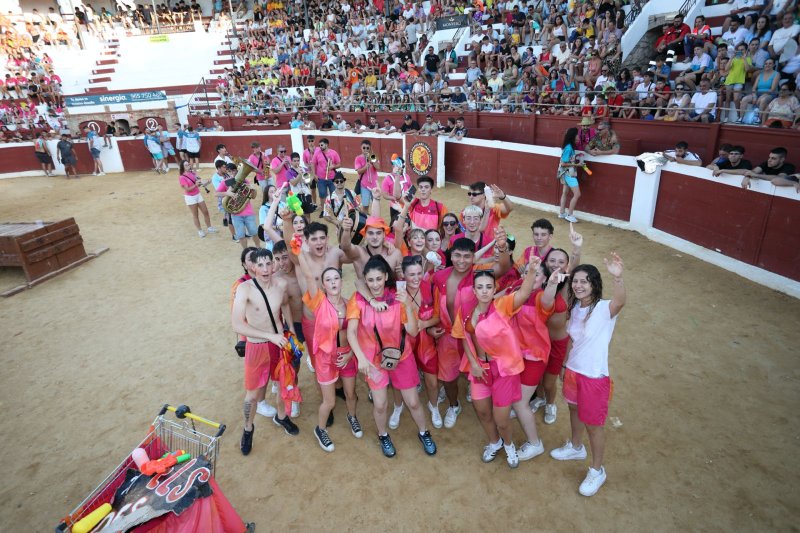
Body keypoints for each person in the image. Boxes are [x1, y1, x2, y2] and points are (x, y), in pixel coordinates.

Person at [453, 253, 558, 467]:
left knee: (502, 420)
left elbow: (525, 292)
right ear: (474, 290)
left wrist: (530, 272)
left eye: (488, 287)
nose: (483, 291)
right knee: (482, 411)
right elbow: (464, 337)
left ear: (494, 290)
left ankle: (508, 444)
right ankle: (495, 443)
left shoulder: (502, 306)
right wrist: (473, 363)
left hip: (503, 371)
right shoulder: (465, 311)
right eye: (479, 287)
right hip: (479, 369)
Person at [550, 253, 626, 498]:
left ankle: (597, 470)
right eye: (576, 282)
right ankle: (575, 447)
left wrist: (618, 277)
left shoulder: (605, 309)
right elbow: (572, 340)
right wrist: (563, 367)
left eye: (585, 282)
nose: (579, 285)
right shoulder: (575, 307)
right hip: (573, 370)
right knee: (573, 410)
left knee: (594, 426)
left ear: (594, 284)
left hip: (594, 376)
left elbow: (620, 301)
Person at [346, 255, 436, 458]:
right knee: (380, 404)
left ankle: (424, 432)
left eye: (379, 279)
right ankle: (383, 435)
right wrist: (360, 357)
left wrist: (406, 307)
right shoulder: (358, 300)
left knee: (413, 402)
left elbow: (412, 331)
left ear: (386, 276)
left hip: (401, 356)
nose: (375, 284)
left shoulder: (398, 298)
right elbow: (351, 332)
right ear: (365, 281)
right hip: (372, 360)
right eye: (370, 280)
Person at [430, 235, 513, 430]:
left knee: (483, 373)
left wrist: (501, 248)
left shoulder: (480, 275)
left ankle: (487, 405)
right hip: (447, 336)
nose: (461, 261)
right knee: (448, 377)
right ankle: (453, 405)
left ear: (473, 258)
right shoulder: (439, 277)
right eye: (457, 255)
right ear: (451, 256)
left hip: (475, 337)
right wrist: (430, 326)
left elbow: (504, 268)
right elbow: (434, 306)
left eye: (467, 256)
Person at [293, 240, 362, 452]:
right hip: (325, 358)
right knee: (329, 402)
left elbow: (356, 332)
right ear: (323, 285)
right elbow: (307, 276)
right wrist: (299, 252)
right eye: (328, 280)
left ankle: (352, 417)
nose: (333, 282)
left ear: (342, 281)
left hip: (346, 355)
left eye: (336, 278)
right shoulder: (319, 301)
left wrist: (350, 353)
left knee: (351, 394)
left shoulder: (351, 303)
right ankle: (320, 429)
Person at [231, 248, 298, 455]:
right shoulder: (245, 289)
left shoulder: (281, 284)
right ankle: (248, 428)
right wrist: (270, 336)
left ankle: (282, 416)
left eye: (268, 263)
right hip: (257, 345)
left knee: (281, 383)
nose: (265, 268)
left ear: (274, 264)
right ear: (252, 267)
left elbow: (285, 305)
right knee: (252, 395)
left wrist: (292, 333)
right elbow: (237, 325)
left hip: (279, 344)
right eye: (259, 265)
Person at [215, 162, 261, 249]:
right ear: (227, 172)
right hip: (235, 214)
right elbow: (216, 193)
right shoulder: (225, 182)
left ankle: (258, 248)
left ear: (237, 171)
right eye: (229, 171)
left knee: (254, 232)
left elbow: (253, 197)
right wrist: (227, 193)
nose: (232, 172)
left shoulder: (245, 181)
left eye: (233, 170)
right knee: (240, 235)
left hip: (248, 212)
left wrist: (253, 189)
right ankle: (246, 251)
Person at [178, 160, 216, 238]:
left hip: (197, 195)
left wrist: (208, 182)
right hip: (190, 197)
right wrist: (195, 185)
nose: (188, 165)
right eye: (186, 165)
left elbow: (200, 182)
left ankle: (209, 227)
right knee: (195, 214)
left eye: (188, 164)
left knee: (205, 212)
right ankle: (200, 230)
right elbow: (187, 189)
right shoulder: (182, 177)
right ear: (183, 167)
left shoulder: (193, 173)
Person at [558, 127, 583, 223]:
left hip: (565, 173)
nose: (579, 137)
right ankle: (570, 214)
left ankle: (562, 212)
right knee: (577, 194)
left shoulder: (568, 146)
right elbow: (564, 163)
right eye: (577, 135)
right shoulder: (569, 148)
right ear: (573, 136)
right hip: (569, 173)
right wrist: (577, 164)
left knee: (565, 193)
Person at [310, 138, 341, 207]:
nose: (320, 146)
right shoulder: (317, 153)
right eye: (319, 145)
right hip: (320, 178)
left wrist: (332, 167)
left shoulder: (334, 153)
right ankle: (324, 209)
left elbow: (339, 164)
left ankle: (334, 208)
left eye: (321, 145)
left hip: (332, 178)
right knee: (322, 194)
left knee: (333, 193)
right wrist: (314, 174)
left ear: (326, 145)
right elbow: (313, 164)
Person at [354, 140, 380, 214]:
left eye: (367, 148)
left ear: (370, 148)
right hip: (364, 186)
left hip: (374, 186)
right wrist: (366, 167)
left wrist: (372, 160)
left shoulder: (373, 157)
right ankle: (366, 221)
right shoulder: (358, 158)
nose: (365, 150)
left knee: (376, 204)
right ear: (361, 148)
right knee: (365, 205)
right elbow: (359, 171)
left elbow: (378, 167)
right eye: (364, 148)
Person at [302, 135, 319, 204]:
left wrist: (313, 153)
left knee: (321, 189)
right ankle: (314, 203)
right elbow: (305, 162)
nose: (311, 142)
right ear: (307, 142)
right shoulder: (305, 151)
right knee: (312, 189)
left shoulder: (318, 149)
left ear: (314, 141)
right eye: (309, 141)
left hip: (318, 172)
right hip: (310, 173)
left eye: (312, 141)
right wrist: (308, 165)